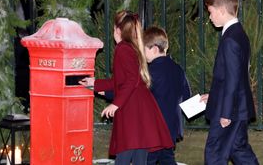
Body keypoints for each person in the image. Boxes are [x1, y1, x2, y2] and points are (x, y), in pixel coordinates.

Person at [79, 10, 173, 165]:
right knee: (138, 157)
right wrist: (95, 83)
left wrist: (115, 104)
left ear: (117, 30)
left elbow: (130, 80)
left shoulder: (122, 48)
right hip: (141, 109)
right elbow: (120, 81)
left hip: (132, 111)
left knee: (124, 156)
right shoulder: (133, 48)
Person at [200, 0, 259, 164]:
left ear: (221, 10)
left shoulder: (231, 39)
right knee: (238, 149)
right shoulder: (239, 34)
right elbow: (234, 76)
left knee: (215, 153)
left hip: (229, 110)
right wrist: (213, 96)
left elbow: (233, 79)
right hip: (237, 106)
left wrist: (225, 112)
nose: (209, 17)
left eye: (210, 12)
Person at [143, 26, 191, 165]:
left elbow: (137, 95)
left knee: (147, 160)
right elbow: (187, 97)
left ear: (154, 49)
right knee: (167, 159)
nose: (142, 54)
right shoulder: (178, 69)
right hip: (171, 129)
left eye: (144, 49)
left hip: (152, 130)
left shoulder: (150, 72)